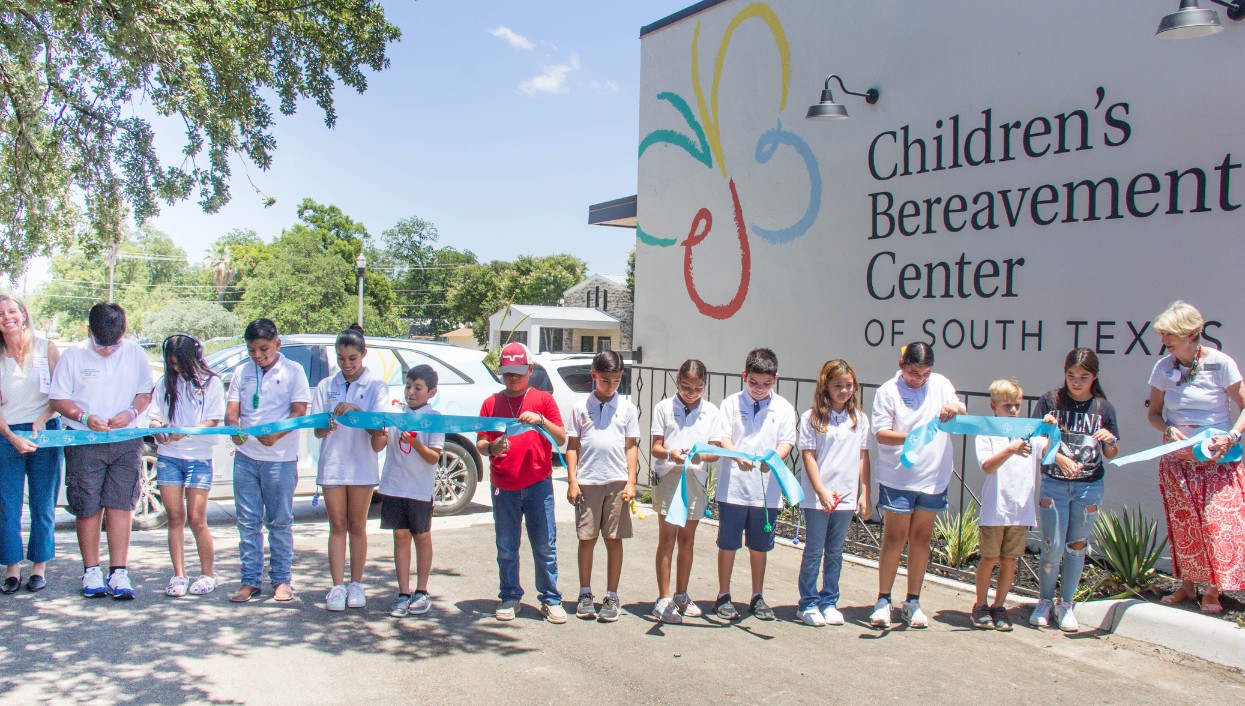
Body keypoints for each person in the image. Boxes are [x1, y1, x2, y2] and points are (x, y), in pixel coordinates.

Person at [49, 302, 154, 600]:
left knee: (121, 504)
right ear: (88, 331)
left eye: (115, 344)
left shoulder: (135, 353)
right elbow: (58, 399)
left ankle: (119, 571)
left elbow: (145, 393)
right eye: (101, 344)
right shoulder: (73, 356)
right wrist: (83, 417)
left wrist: (131, 412)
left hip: (126, 439)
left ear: (125, 331)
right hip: (84, 440)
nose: (108, 350)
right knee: (87, 504)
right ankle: (91, 570)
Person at [1146, 301, 1245, 613]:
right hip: (1179, 460)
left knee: (1217, 524)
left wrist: (1231, 436)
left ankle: (1213, 590)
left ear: (1191, 334)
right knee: (1184, 525)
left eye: (1170, 334)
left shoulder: (1220, 363)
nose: (1164, 340)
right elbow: (1154, 414)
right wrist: (1168, 429)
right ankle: (1187, 586)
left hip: (1219, 459)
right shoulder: (1163, 368)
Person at [870, 342, 965, 629]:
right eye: (913, 373)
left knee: (922, 537)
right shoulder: (887, 391)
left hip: (933, 476)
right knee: (894, 538)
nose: (919, 379)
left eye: (925, 373)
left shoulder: (941, 384)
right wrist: (911, 436)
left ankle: (912, 600)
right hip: (898, 476)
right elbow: (882, 434)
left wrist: (954, 407)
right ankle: (883, 600)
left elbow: (960, 406)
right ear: (901, 366)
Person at [476, 341, 567, 623]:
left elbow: (562, 438)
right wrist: (492, 448)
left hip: (539, 483)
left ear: (530, 369)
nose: (512, 378)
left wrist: (540, 420)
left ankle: (551, 598)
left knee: (544, 545)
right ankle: (510, 596)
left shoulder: (543, 399)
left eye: (518, 372)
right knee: (506, 544)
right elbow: (481, 441)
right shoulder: (491, 403)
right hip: (504, 485)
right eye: (507, 373)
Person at [1029, 348, 1119, 632]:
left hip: (1088, 487)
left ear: (1095, 377)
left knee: (1077, 546)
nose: (1076, 382)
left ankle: (1065, 603)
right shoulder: (1050, 401)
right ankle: (1044, 600)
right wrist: (1058, 456)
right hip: (1054, 483)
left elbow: (1112, 453)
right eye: (1071, 376)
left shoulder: (1103, 408)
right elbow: (1035, 440)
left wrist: (1110, 441)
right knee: (1051, 545)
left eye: (1083, 377)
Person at [225, 319, 311, 603]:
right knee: (248, 522)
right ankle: (249, 581)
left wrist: (276, 435)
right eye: (252, 350)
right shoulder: (242, 372)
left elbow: (299, 412)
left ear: (278, 343)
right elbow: (232, 412)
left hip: (280, 459)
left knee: (280, 522)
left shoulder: (293, 371)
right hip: (246, 459)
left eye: (263, 349)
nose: (258, 355)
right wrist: (234, 431)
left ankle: (282, 581)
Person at [712, 348, 796, 621]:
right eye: (754, 383)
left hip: (766, 492)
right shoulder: (730, 404)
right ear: (744, 376)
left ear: (776, 379)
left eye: (766, 384)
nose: (759, 390)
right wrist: (736, 456)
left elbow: (787, 442)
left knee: (760, 546)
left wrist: (773, 459)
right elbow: (724, 437)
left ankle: (757, 596)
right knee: (728, 543)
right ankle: (723, 594)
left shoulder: (783, 407)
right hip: (733, 489)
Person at [313, 325, 389, 612]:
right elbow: (317, 432)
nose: (347, 365)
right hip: (332, 465)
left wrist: (357, 413)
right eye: (341, 359)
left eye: (352, 359)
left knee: (357, 526)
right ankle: (336, 586)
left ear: (364, 355)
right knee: (337, 525)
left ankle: (356, 583)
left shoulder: (376, 386)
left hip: (362, 466)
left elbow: (379, 430)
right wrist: (325, 426)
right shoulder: (325, 386)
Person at [566, 351, 640, 623]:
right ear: (593, 375)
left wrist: (631, 481)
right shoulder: (580, 407)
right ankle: (585, 594)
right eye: (605, 380)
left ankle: (612, 595)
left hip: (617, 481)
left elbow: (631, 446)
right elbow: (572, 447)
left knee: (614, 539)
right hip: (587, 482)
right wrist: (573, 481)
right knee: (587, 538)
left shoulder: (627, 408)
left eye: (617, 380)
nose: (611, 386)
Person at [149, 333, 225, 597]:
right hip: (169, 456)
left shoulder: (212, 383)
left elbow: (213, 421)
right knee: (175, 517)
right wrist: (158, 428)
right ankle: (179, 575)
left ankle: (208, 573)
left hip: (199, 457)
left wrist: (187, 430)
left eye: (180, 362)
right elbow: (154, 416)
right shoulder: (164, 383)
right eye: (172, 364)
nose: (177, 368)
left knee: (196, 519)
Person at [796, 359, 871, 627]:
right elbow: (808, 456)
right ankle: (807, 603)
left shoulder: (858, 419)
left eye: (848, 385)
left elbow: (863, 457)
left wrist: (865, 493)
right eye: (837, 385)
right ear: (825, 386)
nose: (844, 390)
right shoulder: (811, 418)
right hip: (819, 497)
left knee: (836, 551)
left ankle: (829, 601)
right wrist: (821, 491)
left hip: (846, 496)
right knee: (815, 550)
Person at [650, 359, 724, 623]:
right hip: (669, 476)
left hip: (695, 478)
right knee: (667, 538)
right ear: (677, 380)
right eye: (686, 386)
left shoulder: (711, 412)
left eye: (698, 388)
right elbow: (656, 447)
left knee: (687, 540)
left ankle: (682, 594)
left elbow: (715, 450)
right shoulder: (664, 407)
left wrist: (700, 455)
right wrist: (671, 452)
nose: (691, 393)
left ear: (705, 385)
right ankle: (664, 598)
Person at [0, 294, 62, 594]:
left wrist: (40, 422)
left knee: (42, 504)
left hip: (44, 432)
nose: (7, 317)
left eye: (12, 311)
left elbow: (61, 395)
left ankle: (39, 566)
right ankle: (12, 568)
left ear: (23, 314)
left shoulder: (46, 348)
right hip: (6, 434)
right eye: (0, 313)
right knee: (7, 506)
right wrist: (11, 436)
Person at [971, 379, 1044, 632]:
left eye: (1016, 405)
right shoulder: (987, 431)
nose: (1013, 411)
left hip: (1020, 507)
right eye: (1006, 406)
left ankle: (999, 605)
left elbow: (1050, 447)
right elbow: (987, 466)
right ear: (993, 406)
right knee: (989, 558)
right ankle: (981, 604)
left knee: (1009, 560)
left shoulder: (1031, 432)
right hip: (996, 507)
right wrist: (1010, 449)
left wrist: (1051, 428)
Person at [377, 365, 443, 618]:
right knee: (400, 537)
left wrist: (414, 442)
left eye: (418, 388)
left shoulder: (434, 418)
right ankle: (403, 593)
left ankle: (422, 590)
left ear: (431, 391)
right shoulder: (394, 413)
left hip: (419, 490)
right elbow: (377, 445)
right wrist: (379, 432)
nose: (411, 393)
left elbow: (433, 457)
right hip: (394, 486)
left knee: (422, 536)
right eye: (408, 387)